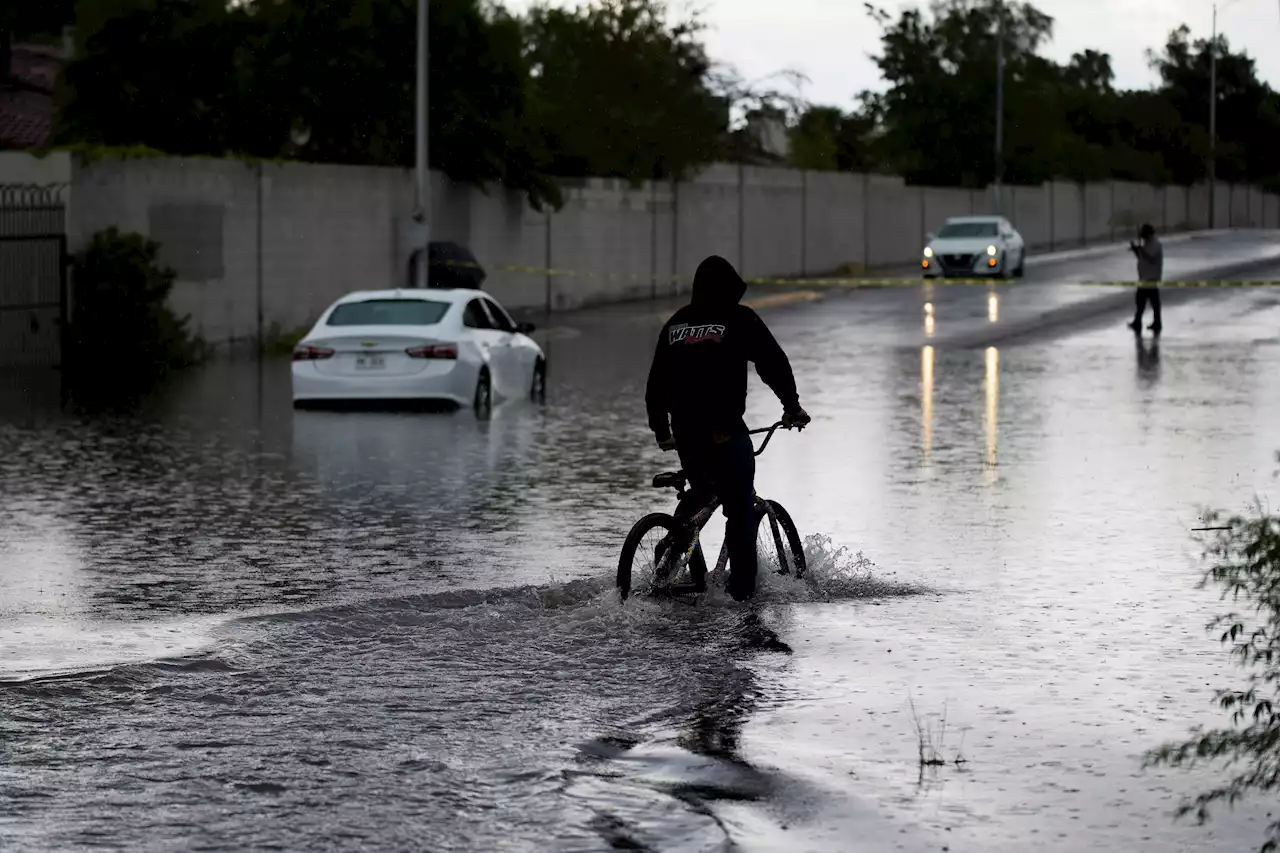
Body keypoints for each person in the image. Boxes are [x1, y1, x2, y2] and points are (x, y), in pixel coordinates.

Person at [645, 255, 810, 602]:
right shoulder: (739, 318)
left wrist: (662, 431)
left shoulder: (677, 323)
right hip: (723, 429)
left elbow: (656, 382)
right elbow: (772, 363)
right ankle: (743, 596)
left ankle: (666, 563)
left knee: (701, 493)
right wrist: (791, 407)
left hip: (686, 431)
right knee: (740, 510)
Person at [1128, 223, 1163, 335]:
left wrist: (1141, 250)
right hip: (1144, 278)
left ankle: (1155, 322)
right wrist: (1136, 250)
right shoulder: (1147, 244)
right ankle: (1139, 321)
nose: (1142, 237)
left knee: (1153, 302)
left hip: (1151, 278)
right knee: (1141, 301)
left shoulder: (1155, 244)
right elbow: (1143, 257)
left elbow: (1151, 259)